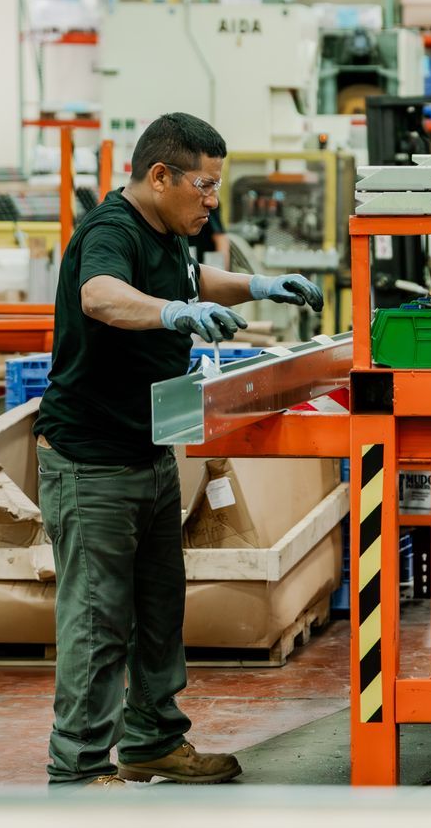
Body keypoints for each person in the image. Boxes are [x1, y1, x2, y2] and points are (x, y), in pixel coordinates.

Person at [34, 112, 325, 788]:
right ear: (160, 175)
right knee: (98, 621)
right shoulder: (111, 229)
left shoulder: (165, 232)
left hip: (148, 451)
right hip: (91, 460)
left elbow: (192, 281)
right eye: (205, 184)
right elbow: (102, 295)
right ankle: (76, 771)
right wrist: (171, 316)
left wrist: (256, 285)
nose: (213, 199)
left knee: (160, 613)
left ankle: (152, 743)